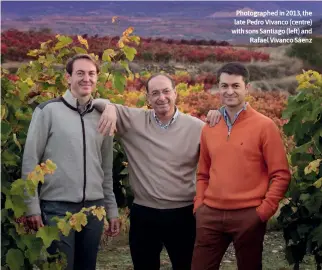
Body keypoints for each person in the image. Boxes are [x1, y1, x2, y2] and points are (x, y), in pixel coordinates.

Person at [93, 73, 221, 270]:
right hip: (144, 214)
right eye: (155, 93)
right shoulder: (133, 121)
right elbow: (97, 102)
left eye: (166, 91)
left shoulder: (197, 127)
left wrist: (218, 115)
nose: (161, 97)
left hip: (183, 214)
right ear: (148, 99)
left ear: (175, 94)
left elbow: (221, 155)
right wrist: (110, 108)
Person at [22, 54, 120, 270]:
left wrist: (111, 209)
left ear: (97, 78)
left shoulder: (103, 115)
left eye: (91, 74)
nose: (87, 78)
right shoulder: (47, 111)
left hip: (94, 210)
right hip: (57, 209)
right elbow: (30, 160)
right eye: (80, 73)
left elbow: (106, 168)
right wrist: (32, 207)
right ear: (68, 77)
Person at [191, 62, 291, 270]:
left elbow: (281, 174)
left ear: (247, 88)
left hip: (249, 215)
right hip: (210, 215)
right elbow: (203, 173)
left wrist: (263, 212)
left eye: (235, 86)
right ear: (218, 88)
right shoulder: (210, 126)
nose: (229, 91)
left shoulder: (264, 126)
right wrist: (199, 206)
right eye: (224, 86)